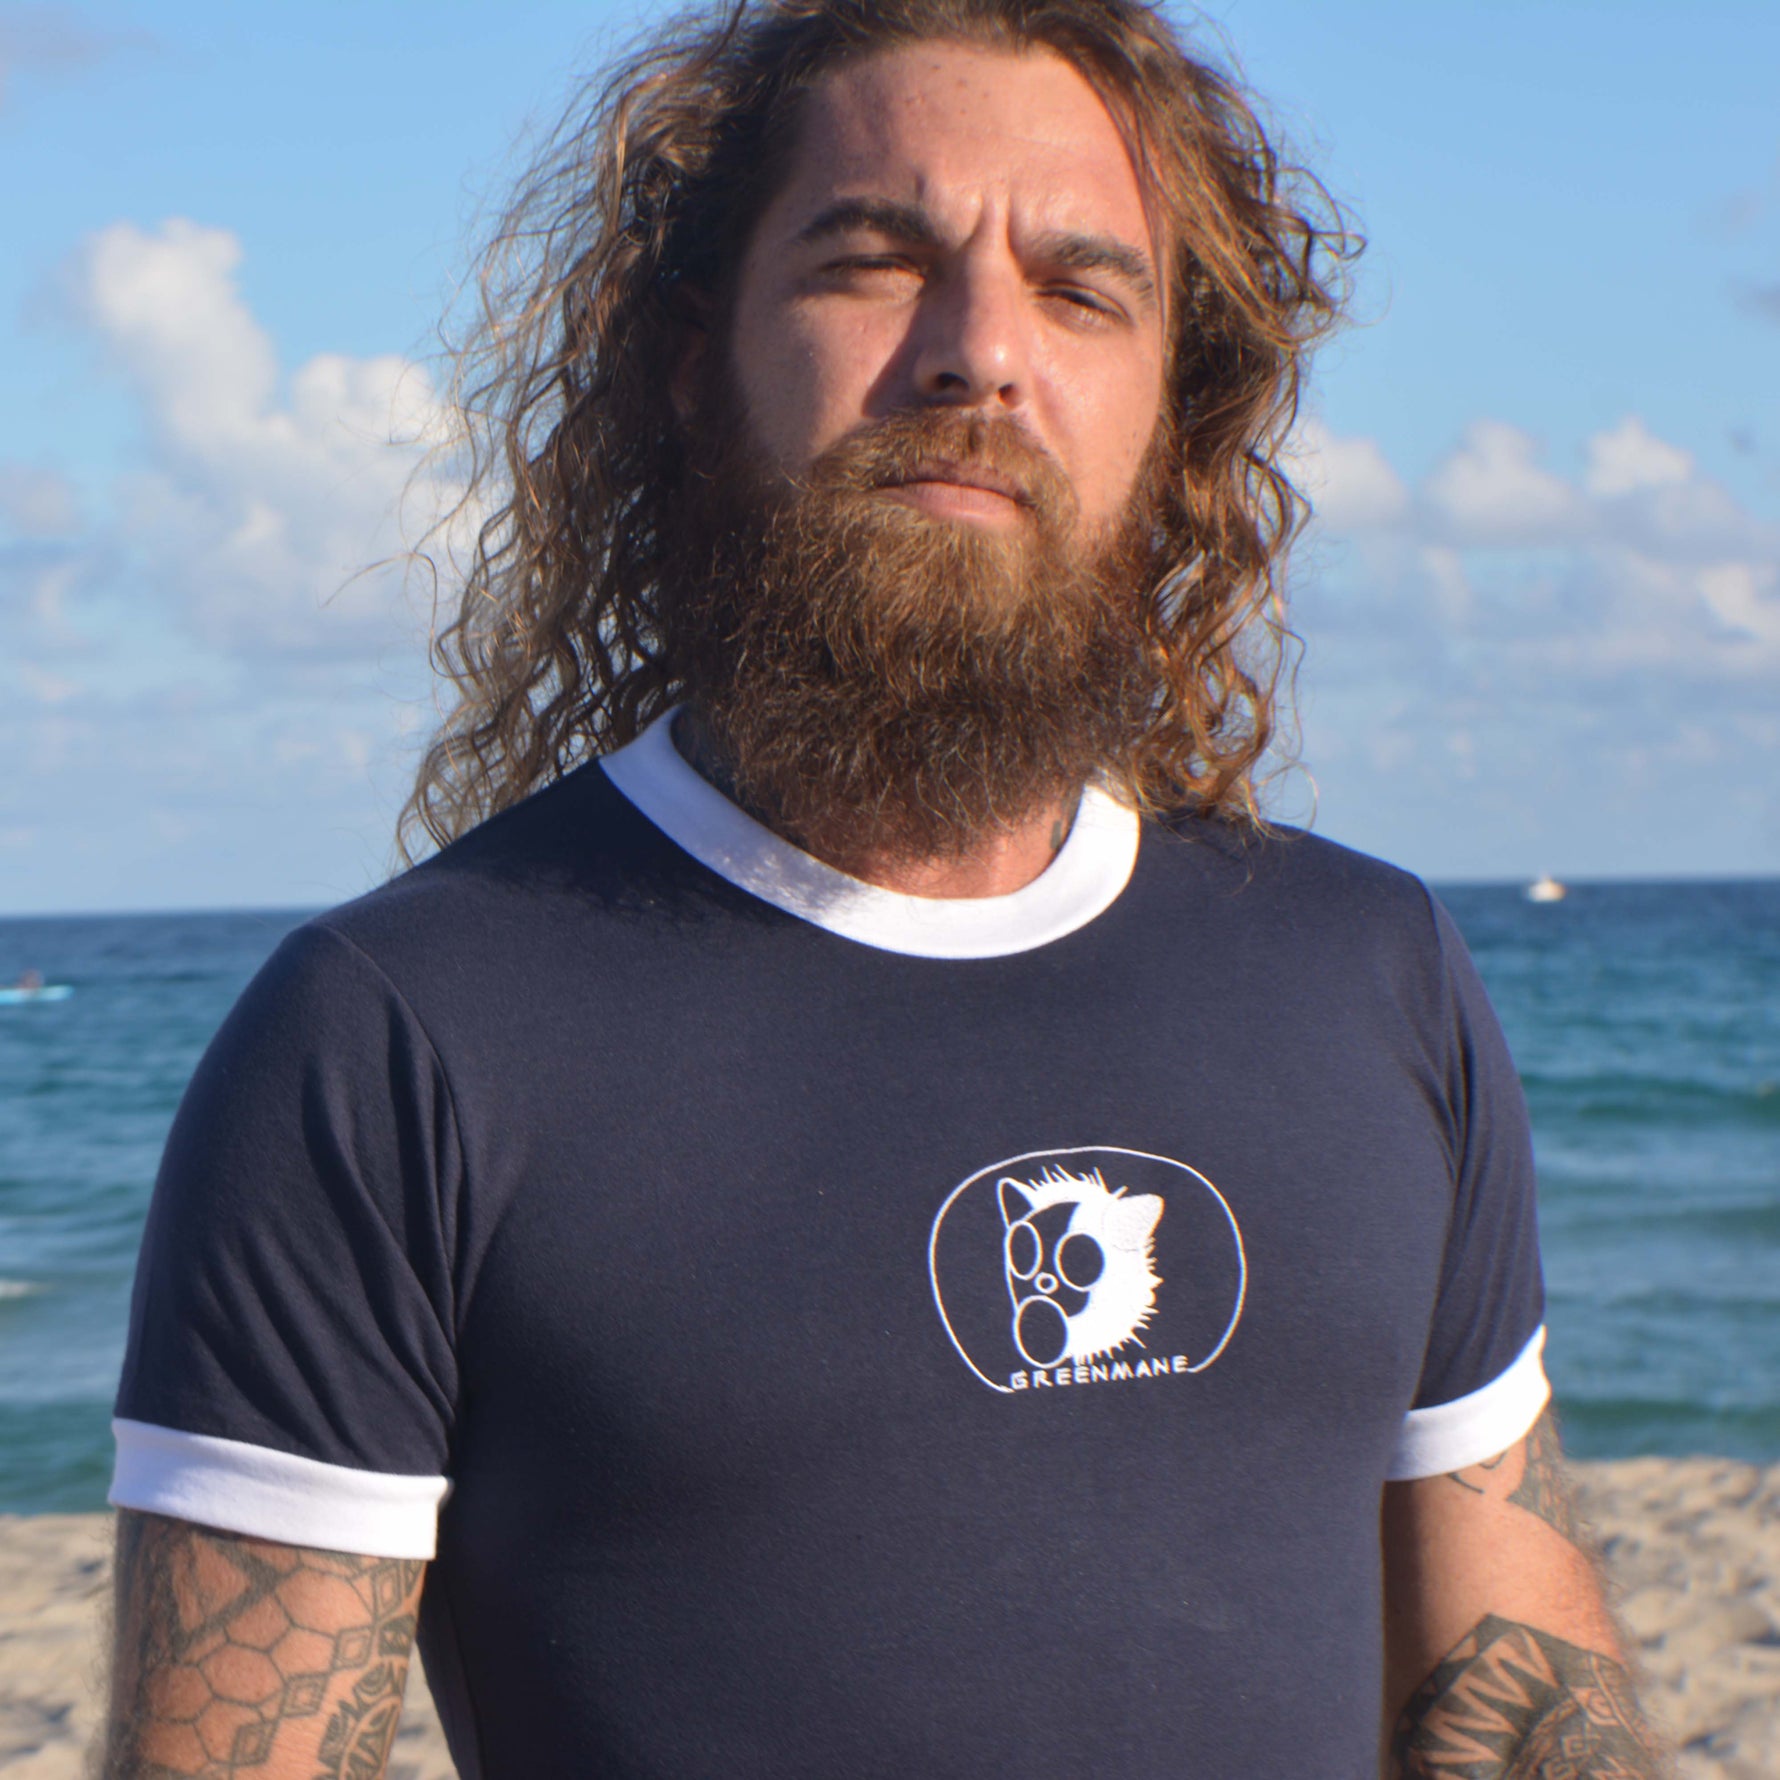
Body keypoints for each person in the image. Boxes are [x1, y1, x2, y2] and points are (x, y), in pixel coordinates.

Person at [102, 3, 1665, 1775]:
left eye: (1080, 292)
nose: (980, 353)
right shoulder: (399, 1040)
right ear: (689, 358)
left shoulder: (1372, 974)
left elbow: (1515, 1702)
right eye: (875, 261)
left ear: (1172, 409)